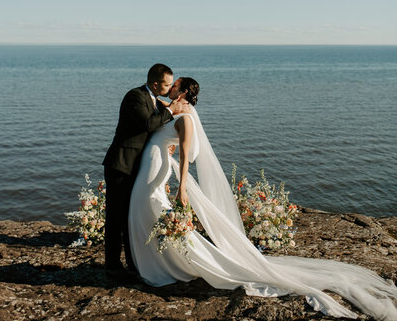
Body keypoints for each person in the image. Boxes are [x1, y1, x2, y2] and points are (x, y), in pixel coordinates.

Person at [128, 77, 397, 320]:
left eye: (174, 85)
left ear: (183, 91)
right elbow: (160, 107)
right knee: (151, 215)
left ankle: (174, 264)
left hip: (159, 174)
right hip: (152, 169)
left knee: (158, 215)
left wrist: (182, 187)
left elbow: (187, 155)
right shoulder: (175, 110)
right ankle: (161, 262)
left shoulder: (185, 118)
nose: (170, 87)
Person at [102, 63, 190, 275]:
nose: (170, 89)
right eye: (167, 84)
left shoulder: (154, 100)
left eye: (172, 85)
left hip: (137, 167)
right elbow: (148, 124)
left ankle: (135, 264)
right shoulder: (135, 96)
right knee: (116, 217)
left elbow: (154, 129)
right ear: (155, 83)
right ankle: (112, 266)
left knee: (131, 216)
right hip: (121, 165)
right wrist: (170, 110)